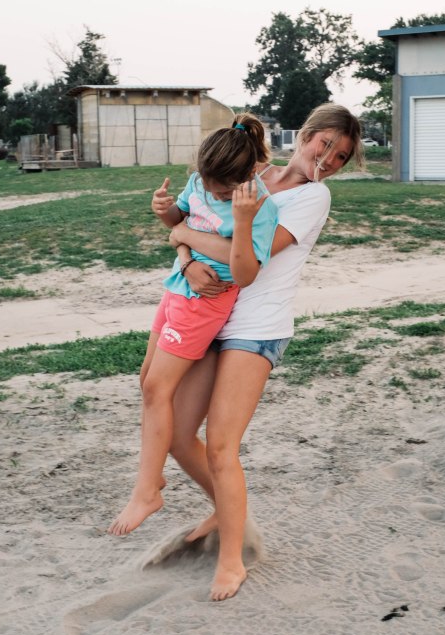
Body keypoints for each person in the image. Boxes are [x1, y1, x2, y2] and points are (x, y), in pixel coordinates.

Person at [157, 103, 364, 600]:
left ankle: (232, 560)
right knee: (178, 436)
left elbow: (248, 257)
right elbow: (199, 220)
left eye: (341, 156)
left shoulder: (314, 197)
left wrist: (182, 234)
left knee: (221, 445)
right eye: (326, 145)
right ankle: (229, 511)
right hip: (211, 315)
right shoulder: (252, 171)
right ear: (306, 135)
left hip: (256, 328)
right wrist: (184, 255)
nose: (329, 159)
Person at [108, 113, 278, 536]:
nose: (213, 193)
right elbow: (178, 223)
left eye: (223, 190)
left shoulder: (259, 207)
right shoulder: (201, 182)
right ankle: (153, 481)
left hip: (205, 302)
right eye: (207, 184)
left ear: (248, 175)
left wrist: (241, 220)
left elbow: (245, 273)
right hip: (178, 285)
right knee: (146, 379)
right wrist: (164, 210)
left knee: (157, 388)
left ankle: (147, 490)